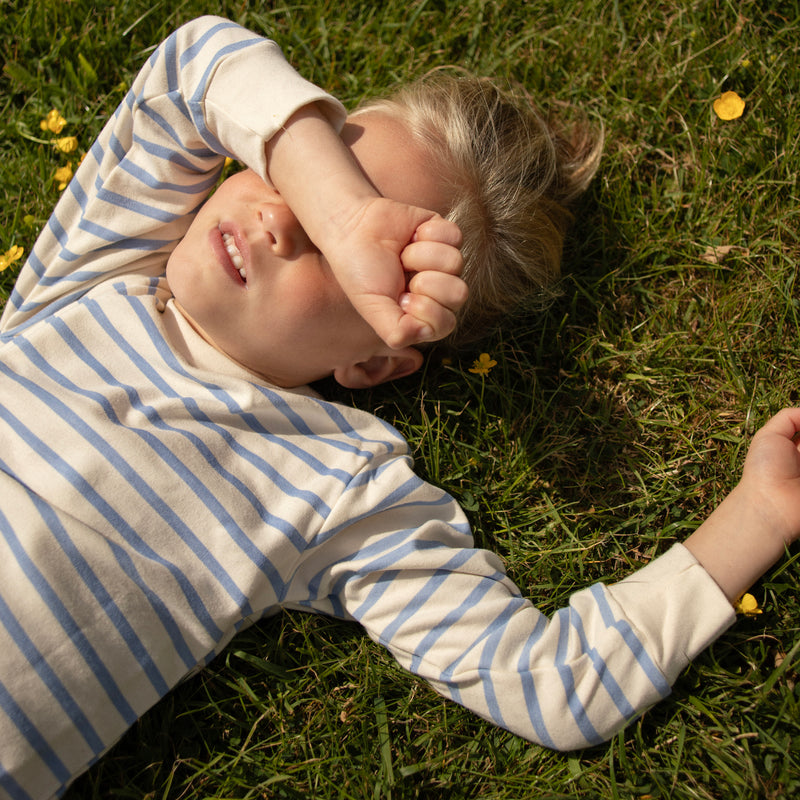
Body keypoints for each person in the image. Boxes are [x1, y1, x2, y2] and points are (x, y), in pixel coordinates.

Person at [0, 15, 798, 800]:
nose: (280, 219)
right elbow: (193, 64)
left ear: (374, 362)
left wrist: (761, 513)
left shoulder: (336, 483)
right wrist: (345, 212)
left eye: (336, 253)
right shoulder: (95, 273)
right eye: (294, 180)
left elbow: (550, 682)